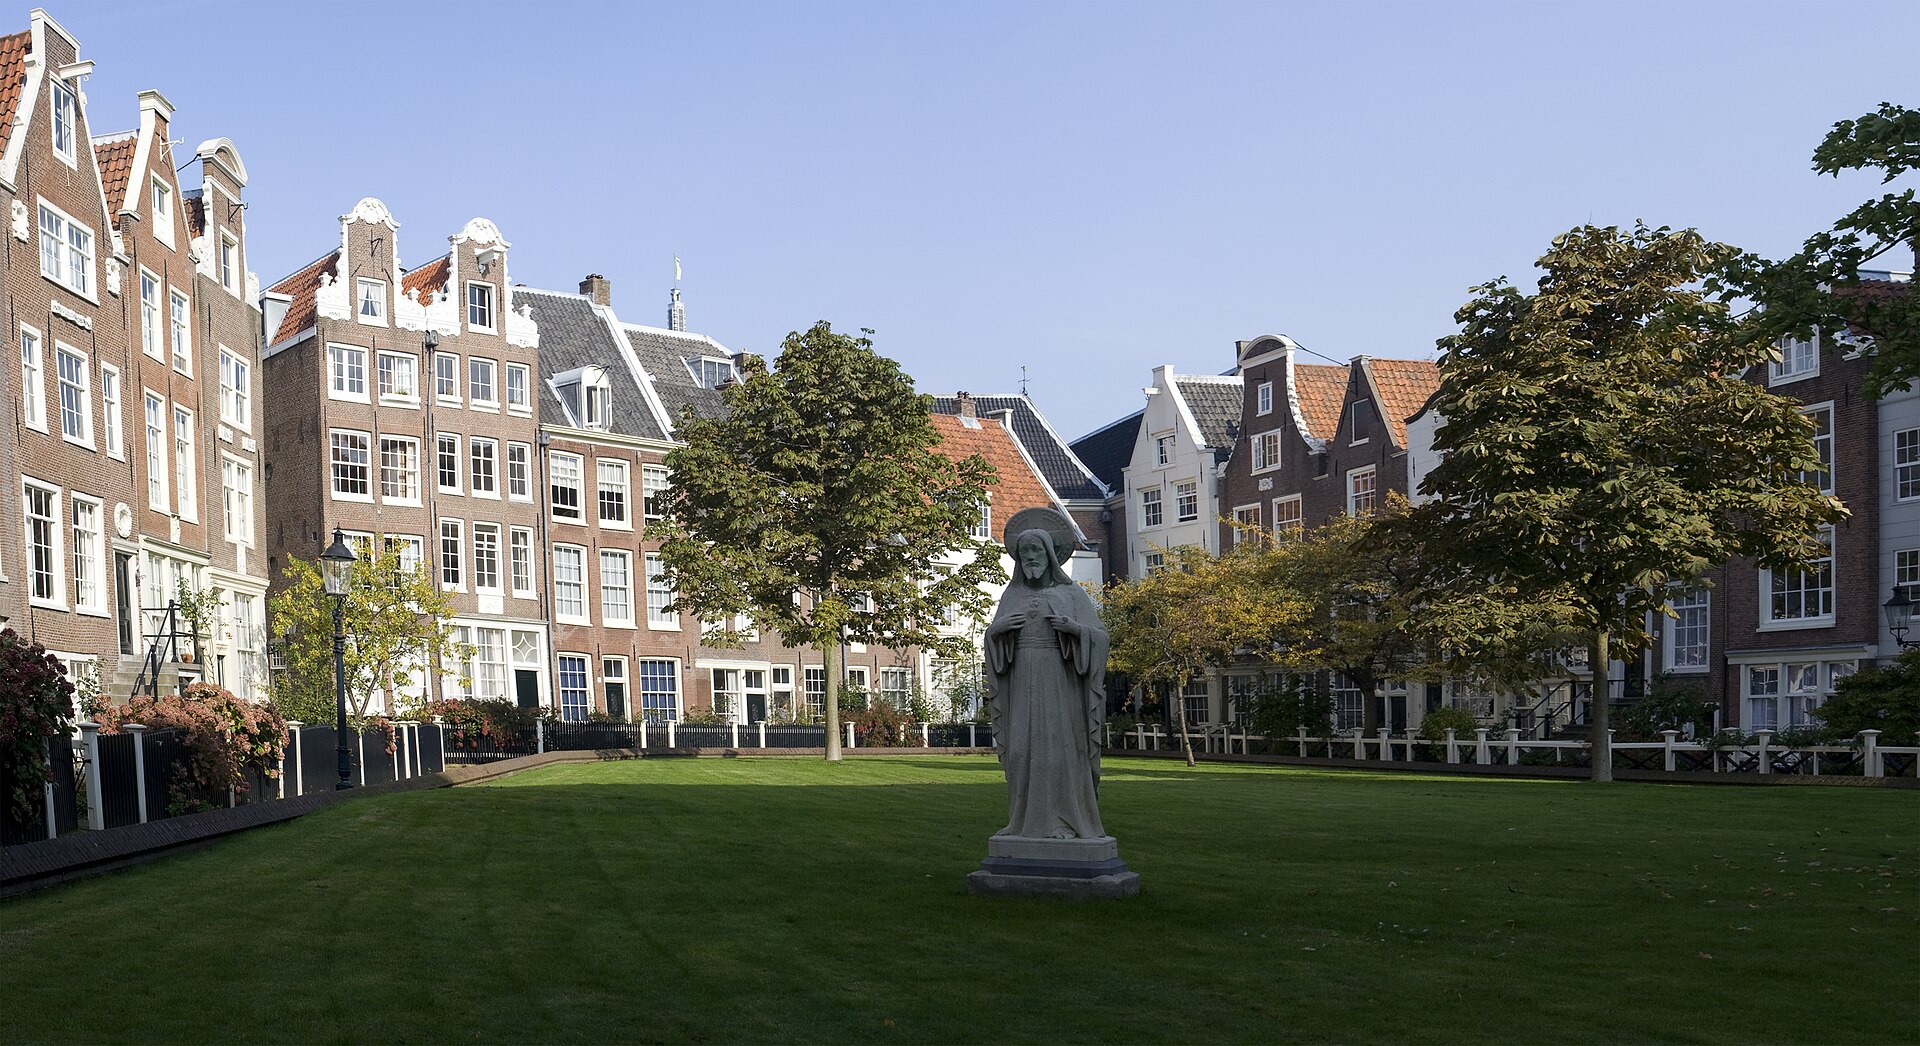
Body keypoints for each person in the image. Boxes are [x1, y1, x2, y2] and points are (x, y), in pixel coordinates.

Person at [985, 517, 1108, 840]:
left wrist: (1075, 630)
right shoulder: (1011, 596)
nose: (1030, 557)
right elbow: (995, 644)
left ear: (1050, 554)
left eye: (1036, 550)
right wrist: (996, 632)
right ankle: (1021, 822)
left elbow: (1100, 637)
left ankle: (1063, 821)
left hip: (1059, 684)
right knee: (1021, 751)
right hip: (1020, 683)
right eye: (1024, 552)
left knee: (1058, 749)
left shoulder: (1071, 594)